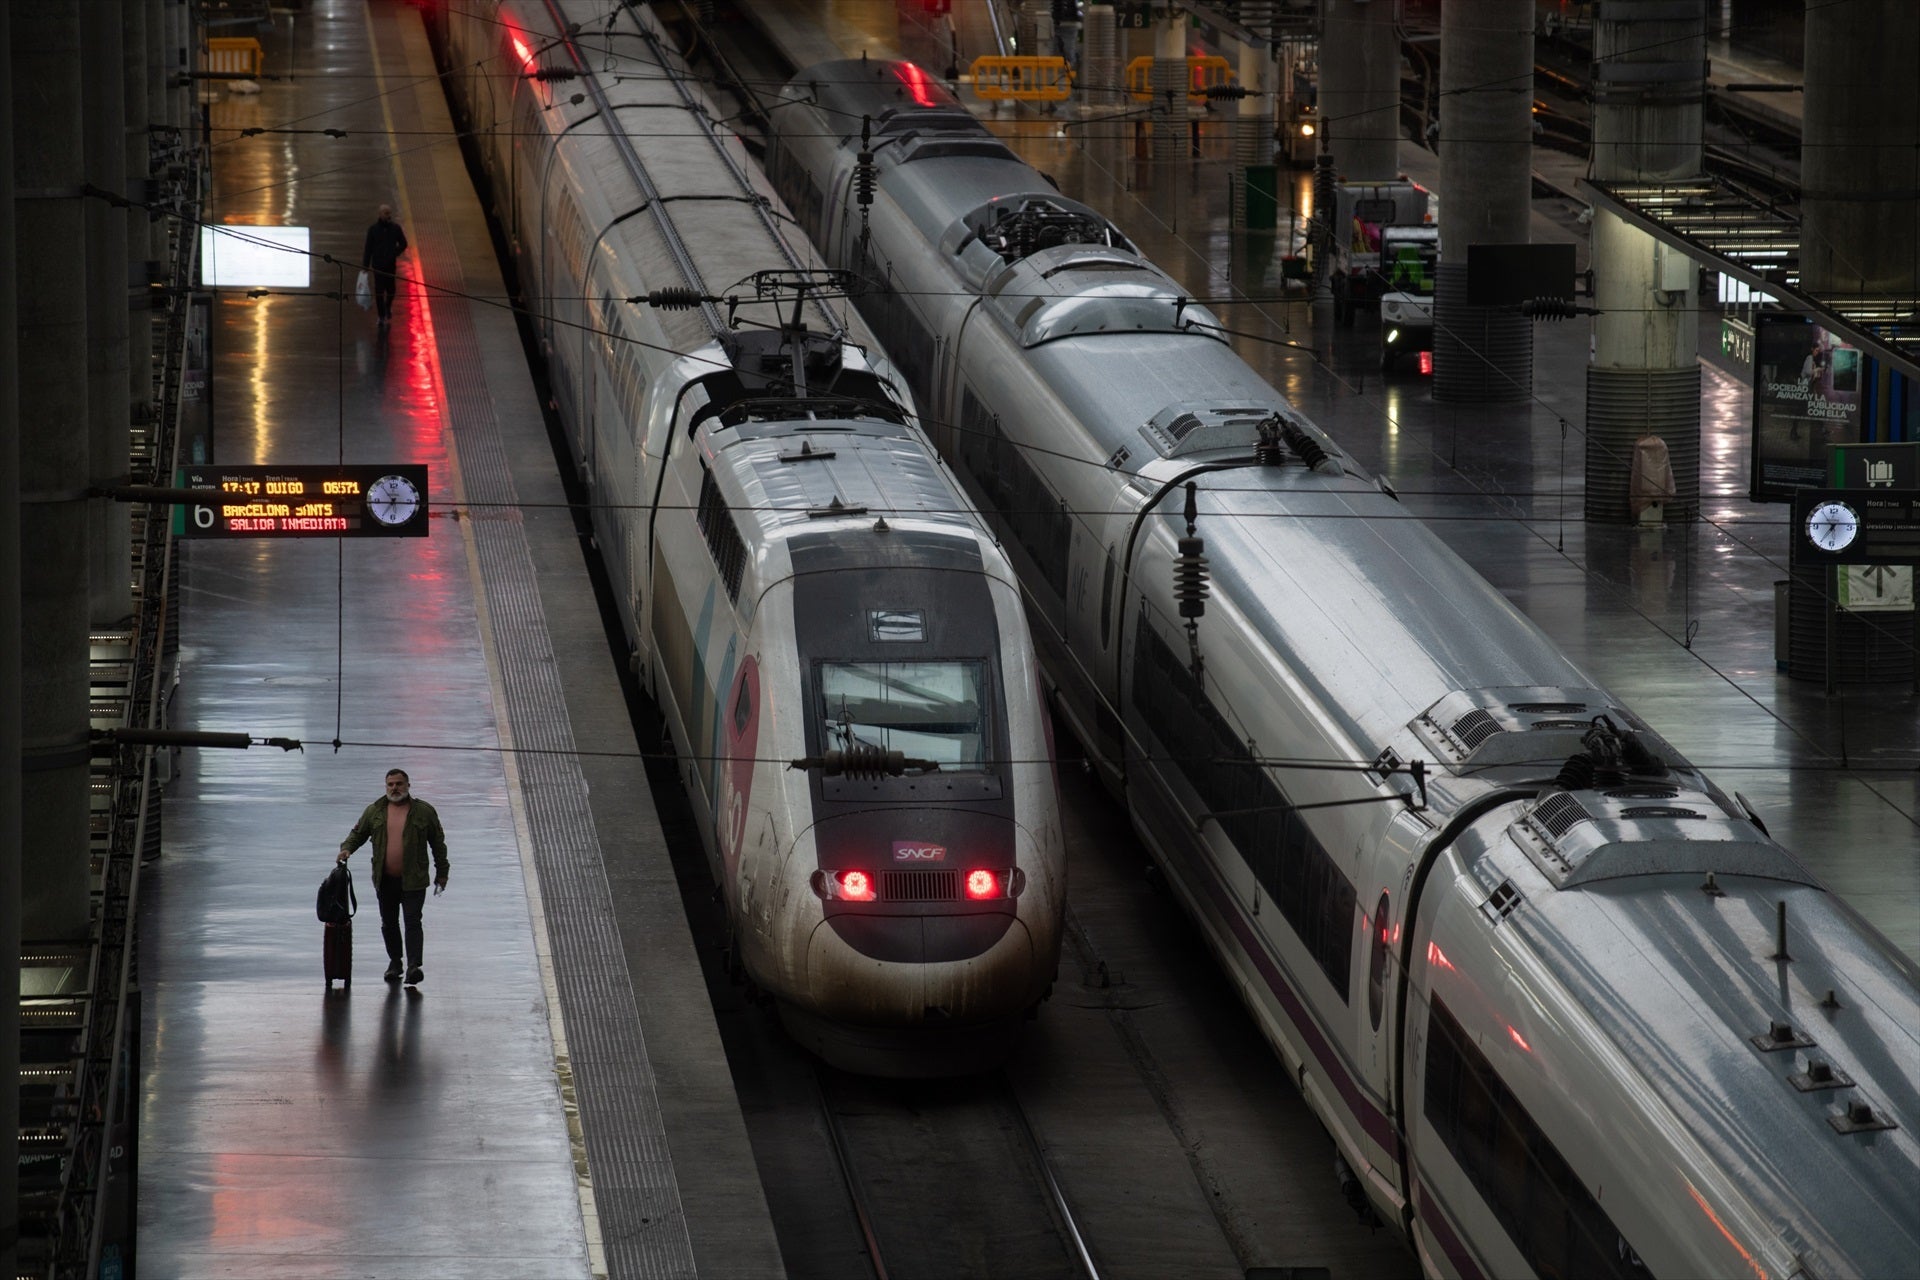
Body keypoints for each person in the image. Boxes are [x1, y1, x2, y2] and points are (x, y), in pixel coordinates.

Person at [337, 768, 448, 985]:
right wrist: (346, 849)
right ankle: (395, 962)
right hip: (385, 880)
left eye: (399, 784)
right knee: (389, 923)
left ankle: (414, 966)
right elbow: (357, 834)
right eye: (390, 784)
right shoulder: (375, 811)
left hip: (414, 880)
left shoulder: (424, 812)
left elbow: (438, 844)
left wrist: (442, 873)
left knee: (412, 921)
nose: (394, 788)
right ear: (386, 786)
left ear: (408, 785)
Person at [360, 203, 409, 326]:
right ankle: (381, 315)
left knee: (391, 289)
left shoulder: (396, 229)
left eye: (389, 213)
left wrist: (394, 253)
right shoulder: (373, 230)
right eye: (386, 213)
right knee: (379, 292)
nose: (388, 216)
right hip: (378, 266)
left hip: (390, 265)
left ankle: (387, 307)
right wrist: (365, 266)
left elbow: (403, 243)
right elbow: (368, 248)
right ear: (380, 214)